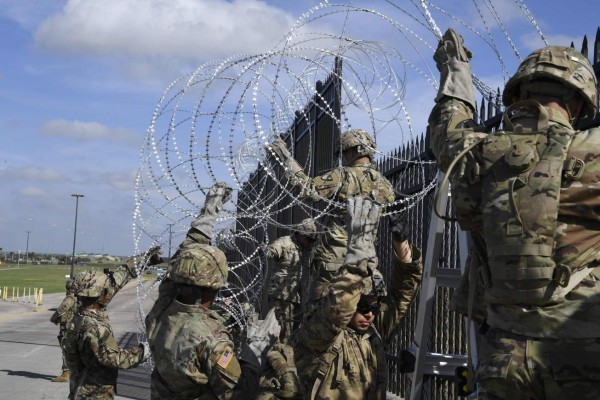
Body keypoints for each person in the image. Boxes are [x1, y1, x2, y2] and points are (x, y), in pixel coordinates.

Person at [429, 28, 600, 399]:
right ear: (578, 103)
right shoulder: (592, 154)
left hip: (503, 355)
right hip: (581, 350)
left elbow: (447, 128)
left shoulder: (473, 153)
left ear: (520, 94)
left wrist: (455, 69)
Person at [146, 182, 282, 399]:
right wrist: (254, 353)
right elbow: (236, 392)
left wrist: (209, 213)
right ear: (215, 285)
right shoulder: (213, 340)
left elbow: (186, 256)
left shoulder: (163, 310)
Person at [292, 196, 423, 399]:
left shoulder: (374, 333)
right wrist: (356, 259)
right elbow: (337, 312)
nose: (370, 314)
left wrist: (401, 244)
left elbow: (402, 295)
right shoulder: (320, 335)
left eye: (376, 306)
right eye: (362, 306)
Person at [266, 129, 395, 297]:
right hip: (366, 260)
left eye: (345, 153)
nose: (343, 158)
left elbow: (309, 190)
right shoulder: (384, 184)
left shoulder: (343, 176)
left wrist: (285, 157)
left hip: (335, 261)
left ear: (356, 150)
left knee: (322, 315)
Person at [63, 269, 150, 399]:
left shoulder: (79, 316)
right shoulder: (95, 326)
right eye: (107, 290)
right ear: (102, 294)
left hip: (81, 385)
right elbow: (113, 359)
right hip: (94, 393)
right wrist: (143, 352)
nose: (110, 292)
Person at [264, 218, 317, 343]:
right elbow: (272, 251)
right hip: (282, 296)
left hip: (300, 297)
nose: (310, 243)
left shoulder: (309, 250)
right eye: (308, 239)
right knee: (281, 332)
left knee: (295, 331)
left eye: (312, 240)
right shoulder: (285, 243)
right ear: (300, 234)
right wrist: (266, 251)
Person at [50, 277, 78, 383]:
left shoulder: (69, 299)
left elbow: (61, 310)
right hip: (74, 327)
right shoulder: (78, 298)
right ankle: (73, 372)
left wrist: (53, 318)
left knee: (66, 350)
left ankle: (66, 373)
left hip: (67, 328)